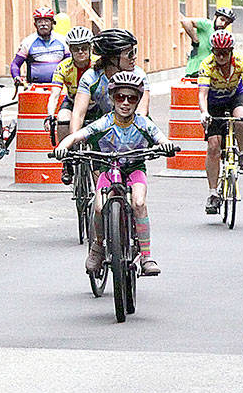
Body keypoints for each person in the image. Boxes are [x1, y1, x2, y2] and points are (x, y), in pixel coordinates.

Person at [54, 70, 176, 277]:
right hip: (108, 170)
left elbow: (161, 138)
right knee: (100, 207)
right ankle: (97, 248)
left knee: (138, 202)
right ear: (112, 98)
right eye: (120, 97)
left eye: (131, 98)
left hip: (135, 169)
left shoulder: (143, 123)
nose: (125, 103)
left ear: (137, 101)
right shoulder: (104, 122)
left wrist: (167, 146)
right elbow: (76, 137)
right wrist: (62, 147)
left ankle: (146, 256)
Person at [196, 30, 243, 213]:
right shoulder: (206, 65)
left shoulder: (241, 62)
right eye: (217, 52)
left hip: (234, 97)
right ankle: (213, 193)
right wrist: (204, 113)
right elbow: (202, 94)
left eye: (225, 52)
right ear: (213, 51)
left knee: (242, 118)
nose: (221, 56)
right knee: (214, 146)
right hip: (214, 102)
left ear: (231, 51)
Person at [70, 28, 150, 136]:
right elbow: (78, 114)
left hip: (135, 124)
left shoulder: (139, 75)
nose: (134, 57)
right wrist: (73, 140)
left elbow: (141, 112)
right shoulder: (91, 77)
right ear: (112, 58)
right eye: (130, 54)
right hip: (104, 124)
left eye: (134, 52)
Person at [51, 26, 97, 180]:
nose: (81, 52)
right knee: (62, 118)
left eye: (84, 48)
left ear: (90, 48)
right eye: (76, 49)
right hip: (71, 102)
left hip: (94, 103)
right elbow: (55, 94)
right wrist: (50, 115)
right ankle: (67, 160)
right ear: (70, 50)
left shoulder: (98, 64)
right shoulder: (64, 67)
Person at [10, 6, 69, 85]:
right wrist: (16, 77)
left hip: (60, 86)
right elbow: (15, 64)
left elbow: (71, 62)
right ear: (35, 24)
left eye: (46, 21)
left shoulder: (63, 41)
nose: (43, 24)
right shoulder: (27, 42)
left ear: (52, 23)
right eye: (40, 21)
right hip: (35, 87)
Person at [182, 6, 236, 77]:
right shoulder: (207, 24)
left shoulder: (221, 34)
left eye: (227, 23)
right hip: (195, 70)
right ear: (215, 17)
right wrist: (195, 39)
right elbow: (185, 21)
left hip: (210, 71)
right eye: (222, 20)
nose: (223, 24)